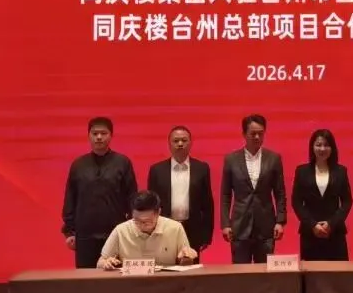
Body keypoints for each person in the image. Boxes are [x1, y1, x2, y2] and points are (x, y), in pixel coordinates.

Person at [61, 117, 138, 268]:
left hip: (115, 232)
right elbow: (70, 198)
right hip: (85, 235)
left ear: (111, 135)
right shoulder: (78, 165)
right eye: (95, 133)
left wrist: (131, 228)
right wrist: (69, 231)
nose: (99, 137)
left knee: (114, 274)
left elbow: (132, 197)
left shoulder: (123, 163)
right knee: (86, 277)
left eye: (103, 133)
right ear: (88, 135)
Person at [220, 114, 287, 263]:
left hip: (266, 226)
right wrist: (225, 224)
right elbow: (225, 195)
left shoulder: (274, 158)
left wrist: (280, 222)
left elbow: (280, 193)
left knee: (264, 272)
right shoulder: (231, 159)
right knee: (240, 272)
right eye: (253, 133)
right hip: (239, 226)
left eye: (260, 133)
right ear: (244, 134)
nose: (257, 137)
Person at [147, 126, 214, 261]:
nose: (180, 144)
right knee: (165, 266)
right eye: (176, 140)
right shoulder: (157, 170)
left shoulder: (201, 168)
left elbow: (207, 204)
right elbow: (152, 204)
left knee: (191, 268)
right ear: (169, 143)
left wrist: (206, 235)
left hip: (192, 229)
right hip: (165, 227)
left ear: (191, 143)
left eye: (184, 140)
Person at [291, 129, 353, 261]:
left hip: (335, 233)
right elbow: (296, 202)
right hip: (310, 233)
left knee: (337, 272)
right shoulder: (302, 171)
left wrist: (331, 224)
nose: (322, 149)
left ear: (332, 148)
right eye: (318, 145)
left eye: (326, 145)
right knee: (311, 272)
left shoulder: (341, 171)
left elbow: (347, 201)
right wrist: (313, 225)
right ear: (312, 147)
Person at [97, 190, 197, 269]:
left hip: (166, 283)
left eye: (147, 221)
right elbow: (100, 262)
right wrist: (106, 263)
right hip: (130, 284)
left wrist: (186, 257)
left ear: (158, 213)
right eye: (136, 220)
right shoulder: (121, 230)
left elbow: (186, 263)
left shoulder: (175, 228)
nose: (141, 225)